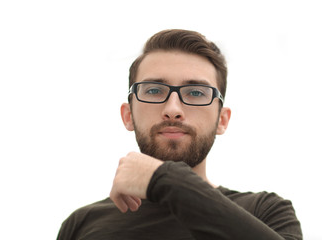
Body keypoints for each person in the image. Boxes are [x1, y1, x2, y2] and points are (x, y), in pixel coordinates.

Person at [57, 29, 302, 239]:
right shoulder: (82, 224)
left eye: (196, 93)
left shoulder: (266, 212)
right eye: (153, 90)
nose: (173, 110)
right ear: (128, 115)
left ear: (222, 120)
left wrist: (163, 179)